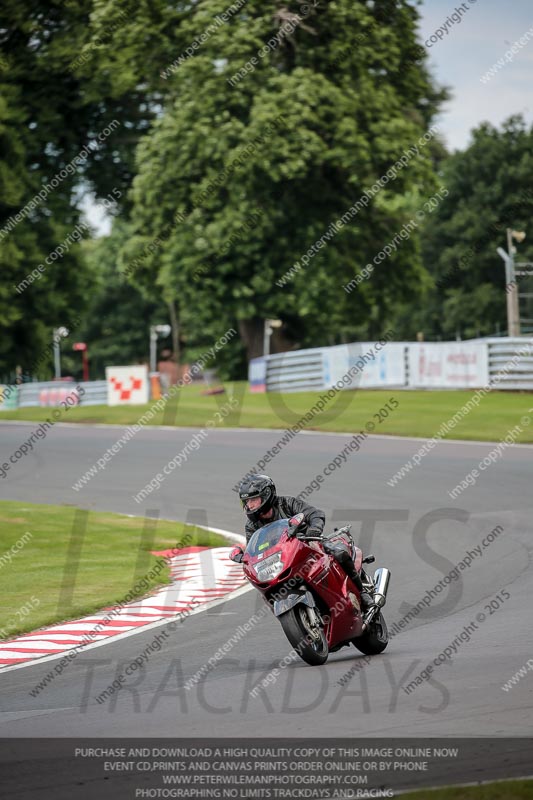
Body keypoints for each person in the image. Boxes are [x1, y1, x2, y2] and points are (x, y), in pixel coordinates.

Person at [238, 473, 373, 611]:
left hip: (308, 546)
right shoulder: (251, 526)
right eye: (246, 502)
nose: (249, 505)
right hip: (282, 559)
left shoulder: (287, 504)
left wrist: (313, 530)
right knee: (267, 592)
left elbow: (315, 514)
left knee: (338, 552)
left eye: (253, 500)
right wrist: (248, 561)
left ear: (266, 495)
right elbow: (253, 548)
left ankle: (361, 593)